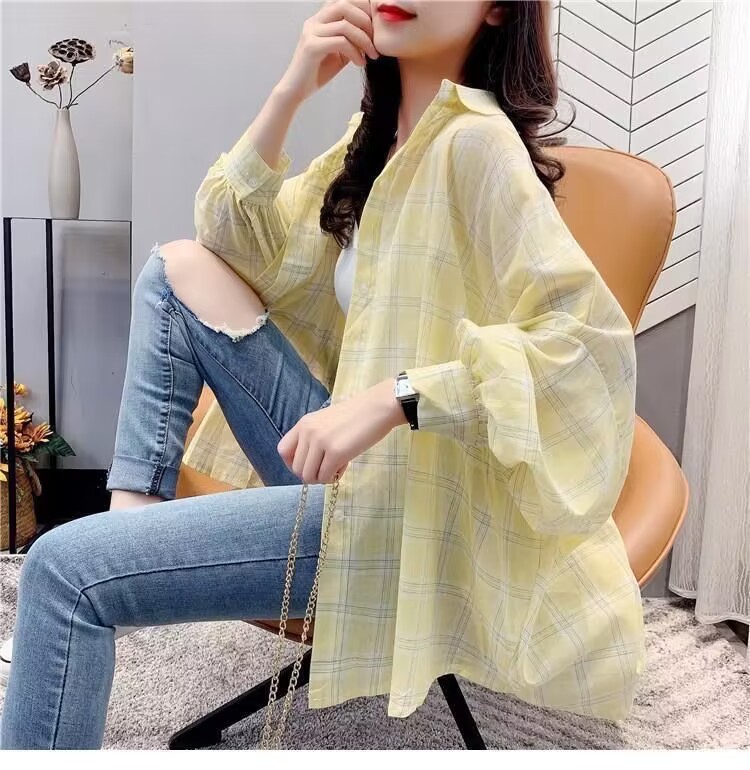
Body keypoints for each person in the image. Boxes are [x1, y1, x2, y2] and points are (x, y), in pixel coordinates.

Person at [0, 0, 646, 749]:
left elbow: (587, 346)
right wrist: (292, 88)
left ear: (499, 9)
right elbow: (232, 243)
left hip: (406, 513)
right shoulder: (377, 141)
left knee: (60, 571)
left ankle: (115, 566)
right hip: (343, 466)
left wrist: (396, 398)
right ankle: (132, 532)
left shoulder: (476, 144)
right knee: (175, 267)